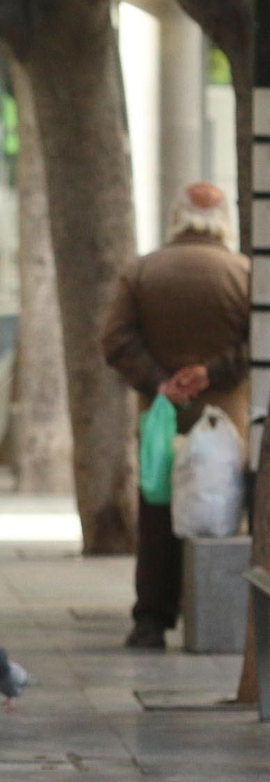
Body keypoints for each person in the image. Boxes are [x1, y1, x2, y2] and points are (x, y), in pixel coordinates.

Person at [103, 181, 250, 651]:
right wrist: (211, 373)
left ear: (176, 216)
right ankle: (220, 613)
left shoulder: (142, 272)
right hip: (226, 420)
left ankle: (151, 619)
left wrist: (161, 381)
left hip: (161, 419)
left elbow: (116, 340)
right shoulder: (243, 273)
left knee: (158, 513)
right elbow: (258, 343)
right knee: (222, 514)